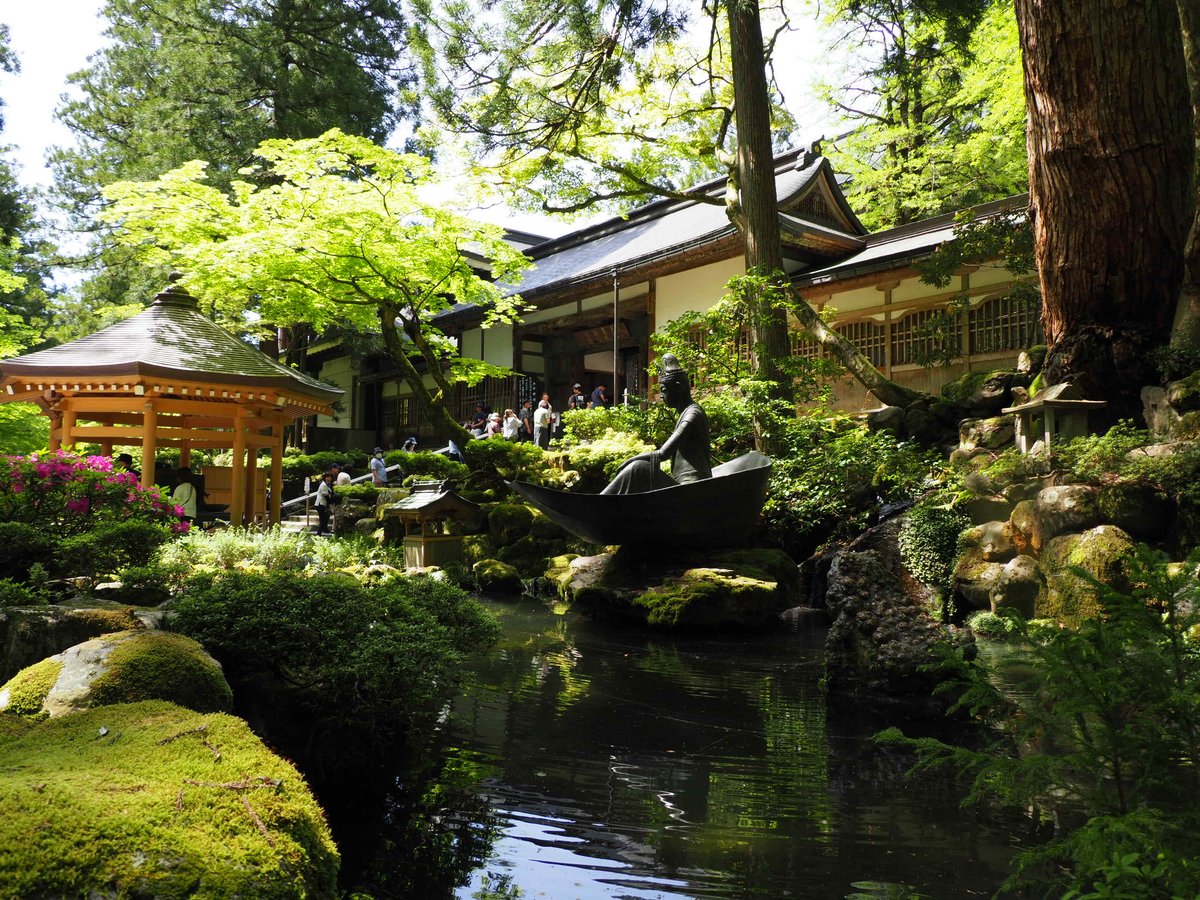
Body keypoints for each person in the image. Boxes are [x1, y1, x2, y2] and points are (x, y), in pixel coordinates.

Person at [601, 354, 710, 495]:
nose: (661, 396)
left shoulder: (692, 415)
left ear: (679, 388)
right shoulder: (688, 412)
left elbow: (663, 454)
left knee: (638, 468)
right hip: (683, 484)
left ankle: (601, 502)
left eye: (664, 390)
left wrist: (629, 461)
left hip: (692, 487)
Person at [314, 471, 335, 536]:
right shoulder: (323, 485)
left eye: (330, 477)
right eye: (327, 477)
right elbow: (326, 496)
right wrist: (331, 503)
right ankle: (318, 534)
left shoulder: (327, 484)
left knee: (326, 516)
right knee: (323, 520)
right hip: (320, 504)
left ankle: (325, 529)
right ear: (324, 478)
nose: (329, 478)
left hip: (323, 504)